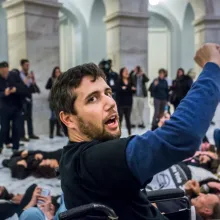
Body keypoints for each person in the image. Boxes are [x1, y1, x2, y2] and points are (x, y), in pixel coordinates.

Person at [51, 43, 220, 220]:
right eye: (92, 99)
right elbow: (183, 136)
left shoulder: (73, 158)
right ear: (68, 119)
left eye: (108, 93)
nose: (110, 102)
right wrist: (213, 66)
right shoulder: (94, 160)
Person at [0, 62, 29, 152]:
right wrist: (4, 93)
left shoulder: (14, 75)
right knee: (4, 129)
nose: (5, 74)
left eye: (6, 72)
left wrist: (16, 89)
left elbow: (23, 87)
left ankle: (15, 148)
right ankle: (1, 145)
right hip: (4, 108)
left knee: (17, 128)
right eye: (3, 72)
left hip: (17, 107)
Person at [20, 59, 40, 141]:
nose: (28, 66)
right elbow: (20, 86)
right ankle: (22, 136)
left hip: (29, 98)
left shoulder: (29, 74)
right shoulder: (19, 75)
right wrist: (27, 78)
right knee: (22, 118)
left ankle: (30, 134)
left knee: (29, 117)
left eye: (28, 65)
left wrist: (33, 80)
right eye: (26, 65)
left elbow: (34, 87)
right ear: (22, 65)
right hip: (22, 98)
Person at [117, 67, 135, 135]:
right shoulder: (119, 81)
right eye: (125, 71)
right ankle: (117, 134)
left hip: (129, 103)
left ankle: (129, 134)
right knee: (120, 119)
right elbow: (118, 90)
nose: (127, 72)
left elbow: (133, 91)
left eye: (127, 71)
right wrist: (129, 89)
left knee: (128, 119)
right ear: (121, 73)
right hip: (121, 103)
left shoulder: (130, 81)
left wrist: (126, 88)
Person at [45, 66, 63, 138]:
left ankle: (58, 132)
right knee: (53, 116)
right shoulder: (51, 79)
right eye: (56, 72)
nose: (57, 73)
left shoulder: (61, 79)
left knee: (59, 116)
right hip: (52, 100)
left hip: (60, 100)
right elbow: (47, 86)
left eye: (58, 72)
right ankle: (51, 133)